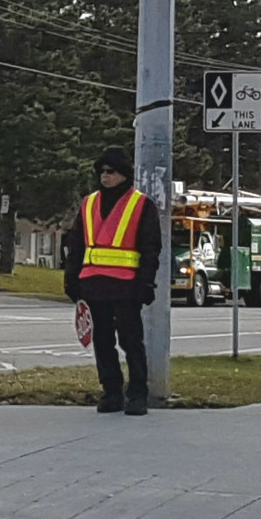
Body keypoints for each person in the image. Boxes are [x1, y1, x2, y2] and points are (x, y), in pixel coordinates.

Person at [64, 146, 161, 416]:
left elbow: (150, 249)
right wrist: (71, 280)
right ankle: (111, 392)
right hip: (93, 283)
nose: (105, 177)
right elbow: (76, 245)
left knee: (131, 341)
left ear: (124, 175)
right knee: (102, 342)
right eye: (101, 172)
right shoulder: (89, 204)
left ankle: (138, 394)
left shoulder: (141, 205)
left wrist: (146, 283)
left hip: (126, 286)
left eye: (111, 172)